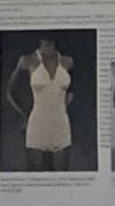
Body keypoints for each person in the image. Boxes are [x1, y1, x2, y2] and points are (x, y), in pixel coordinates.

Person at [6, 37, 76, 172]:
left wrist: (63, 108)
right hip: (37, 123)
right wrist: (24, 115)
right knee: (36, 180)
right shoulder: (27, 60)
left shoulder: (67, 61)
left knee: (62, 180)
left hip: (60, 124)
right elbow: (10, 91)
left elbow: (70, 92)